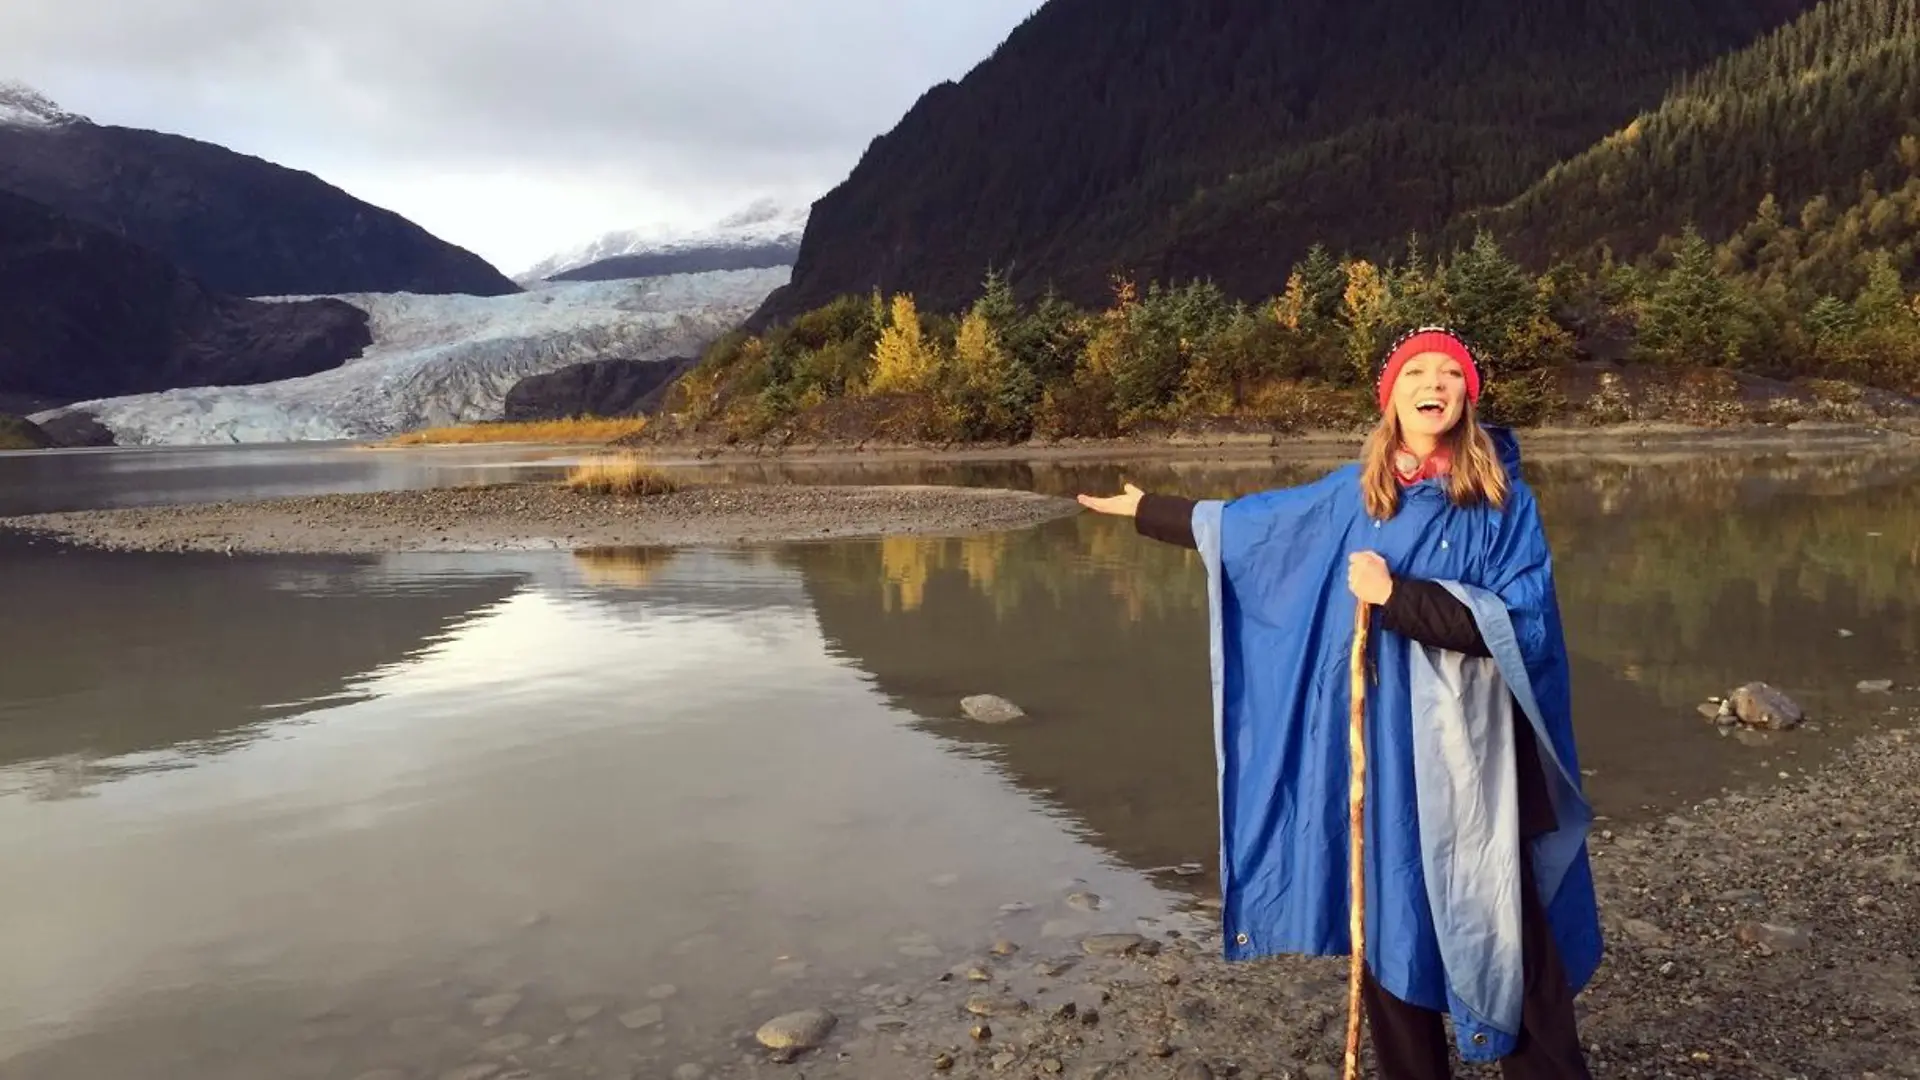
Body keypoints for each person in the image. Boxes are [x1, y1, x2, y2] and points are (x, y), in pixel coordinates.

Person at [1077, 327, 1602, 1079]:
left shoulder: (1502, 503)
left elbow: (1525, 626)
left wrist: (1400, 598)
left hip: (1481, 762)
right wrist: (1149, 511)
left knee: (1506, 927)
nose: (1433, 382)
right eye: (1415, 371)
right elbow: (1256, 529)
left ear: (1467, 395)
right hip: (1383, 752)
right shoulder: (1352, 498)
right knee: (1389, 922)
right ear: (1390, 395)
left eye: (1449, 372)